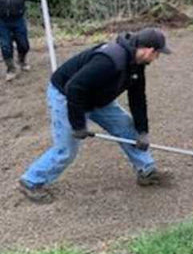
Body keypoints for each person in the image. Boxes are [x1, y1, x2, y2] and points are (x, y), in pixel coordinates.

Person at [19, 27, 172, 203]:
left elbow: (137, 98)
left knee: (126, 127)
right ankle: (31, 181)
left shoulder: (136, 65)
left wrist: (143, 131)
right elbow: (74, 88)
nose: (157, 58)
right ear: (150, 50)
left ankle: (146, 170)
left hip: (97, 98)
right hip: (66, 95)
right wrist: (78, 125)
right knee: (67, 149)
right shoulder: (110, 60)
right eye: (158, 54)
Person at [0, 0, 35, 81]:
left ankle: (22, 60)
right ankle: (11, 69)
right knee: (5, 46)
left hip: (18, 18)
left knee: (24, 44)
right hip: (2, 20)